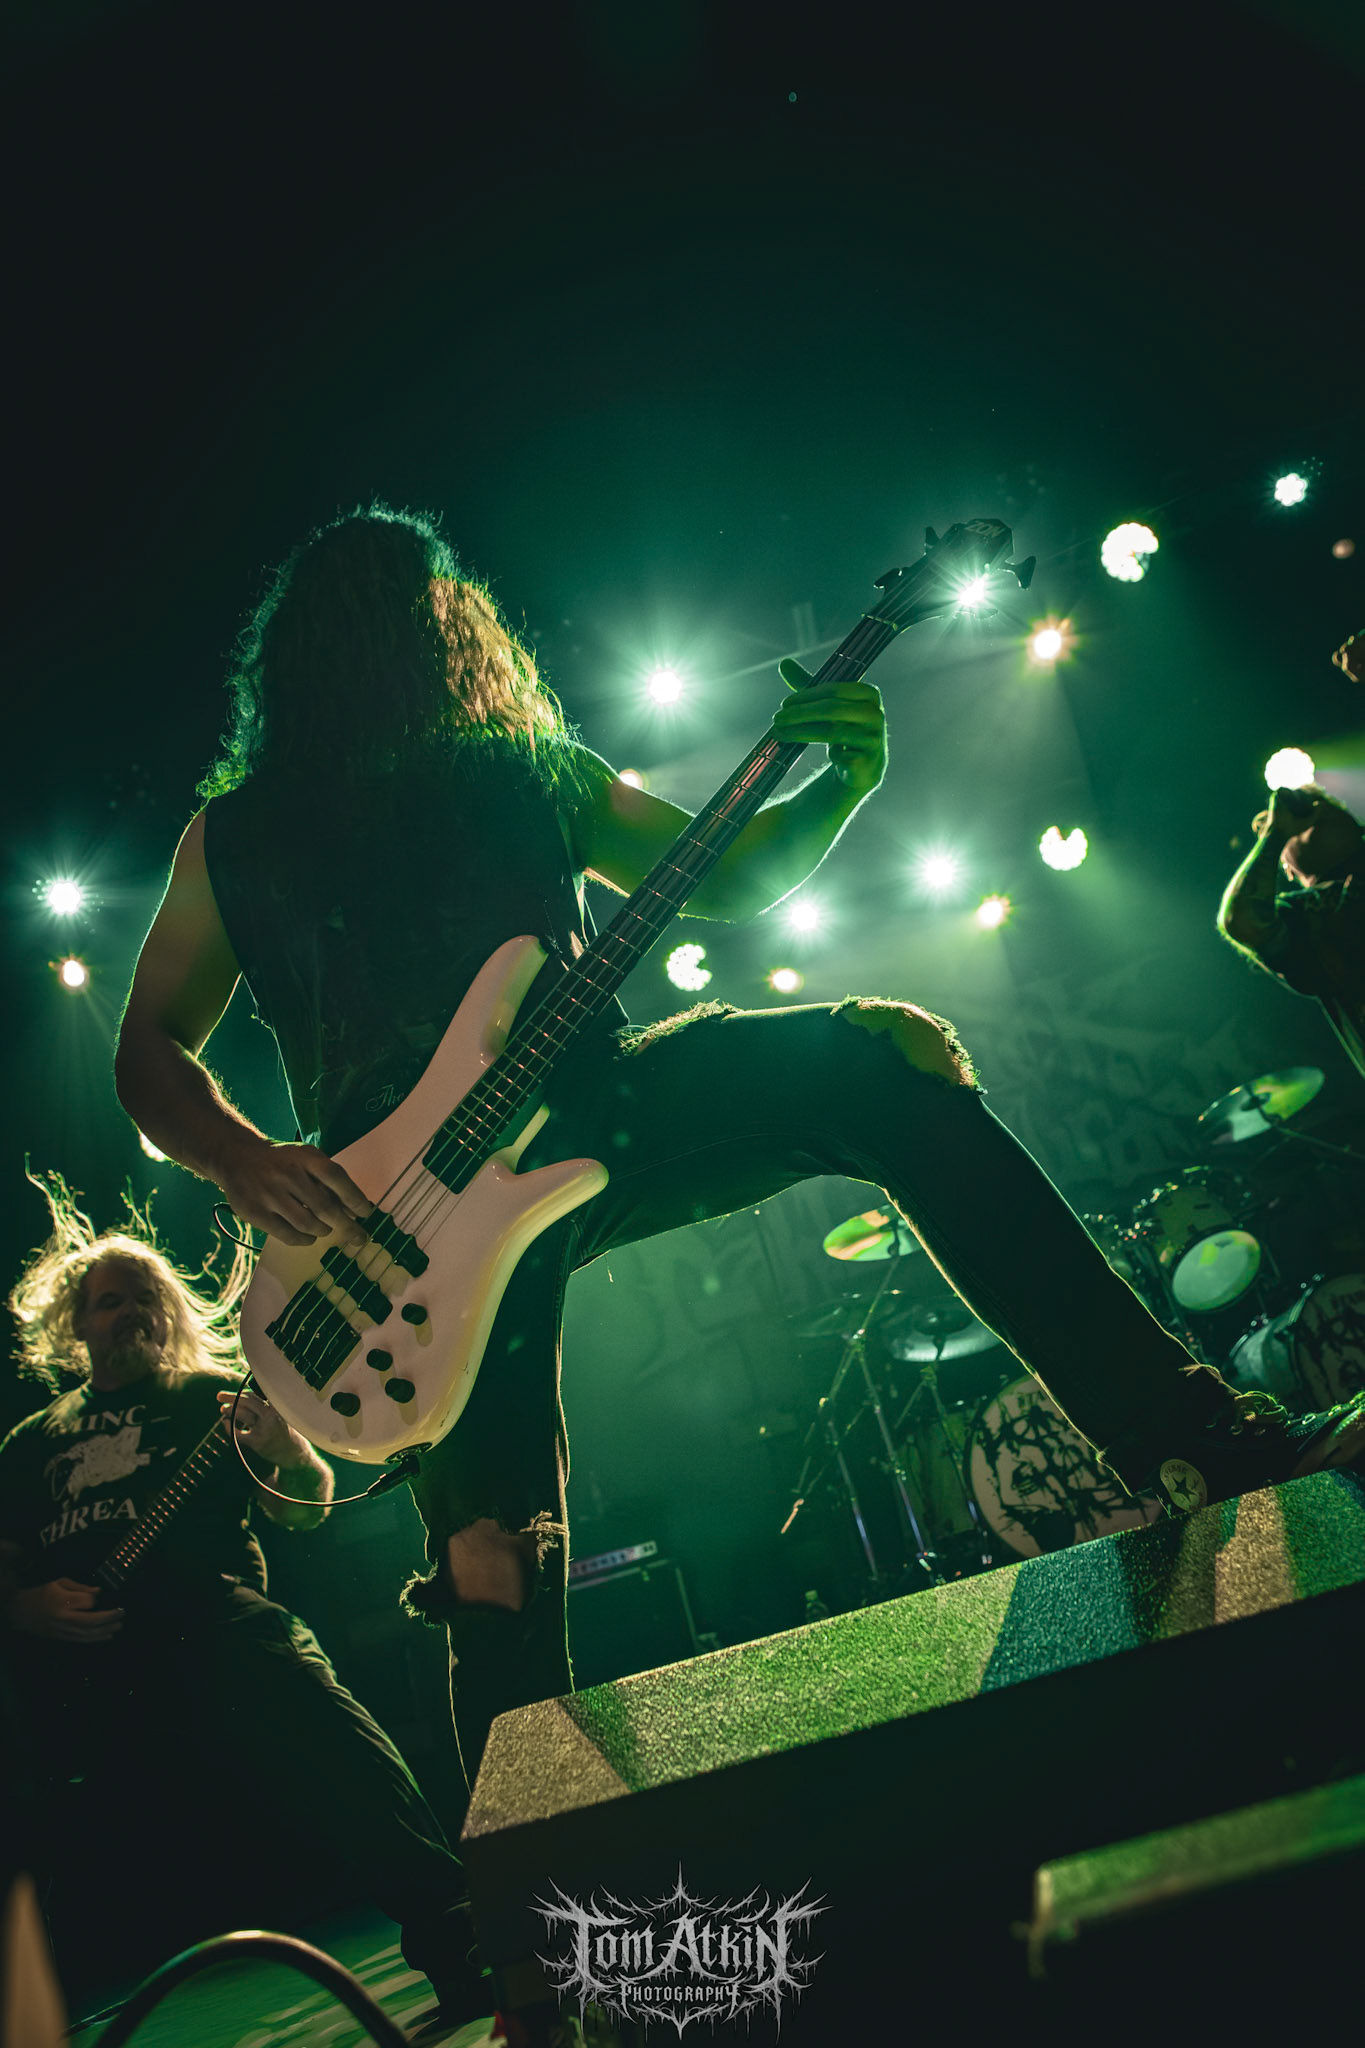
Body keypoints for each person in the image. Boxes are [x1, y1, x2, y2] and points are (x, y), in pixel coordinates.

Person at [114, 505, 1365, 1806]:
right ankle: (531, 1863)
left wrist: (841, 781)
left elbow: (727, 874)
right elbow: (147, 1047)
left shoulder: (525, 771)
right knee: (492, 1546)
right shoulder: (239, 835)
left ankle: (1191, 1443)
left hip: (589, 1107)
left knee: (877, 1066)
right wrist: (243, 1159)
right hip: (399, 1228)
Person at [0, 1180, 486, 2021]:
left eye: (145, 1298)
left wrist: (288, 1452)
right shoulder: (30, 1443)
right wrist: (23, 1608)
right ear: (75, 1324)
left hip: (212, 1625)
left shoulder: (212, 1396)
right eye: (111, 1302)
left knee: (326, 1730)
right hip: (79, 1669)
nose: (132, 1313)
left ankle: (460, 1940)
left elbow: (303, 1508)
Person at [1218, 784, 1363, 1078]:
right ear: (1288, 867)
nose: (1315, 812)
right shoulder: (1304, 916)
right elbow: (1243, 920)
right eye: (1301, 816)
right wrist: (1276, 833)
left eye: (1321, 802)